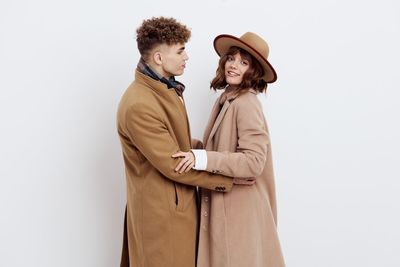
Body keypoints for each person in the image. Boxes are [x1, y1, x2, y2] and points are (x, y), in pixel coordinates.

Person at [117, 17, 252, 267]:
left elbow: (172, 139)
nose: (186, 56)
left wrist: (208, 151)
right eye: (180, 51)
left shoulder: (162, 89)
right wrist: (228, 179)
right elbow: (172, 163)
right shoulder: (139, 104)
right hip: (162, 217)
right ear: (158, 58)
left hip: (176, 209)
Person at [173, 32, 285, 266]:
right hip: (226, 212)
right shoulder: (227, 98)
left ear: (253, 72)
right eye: (231, 58)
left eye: (244, 62)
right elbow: (220, 149)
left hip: (240, 216)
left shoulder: (247, 104)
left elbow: (253, 161)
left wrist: (201, 158)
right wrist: (186, 145)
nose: (233, 65)